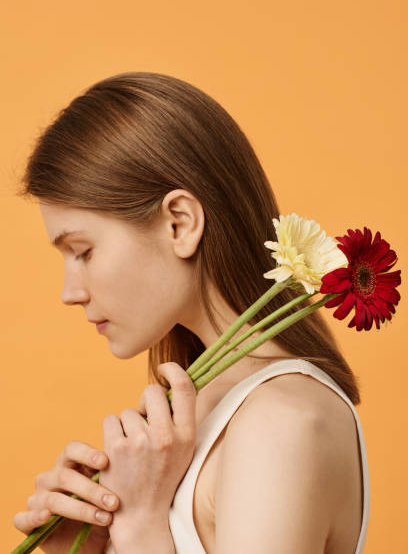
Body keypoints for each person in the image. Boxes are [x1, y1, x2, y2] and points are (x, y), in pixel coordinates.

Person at [12, 72, 369, 553]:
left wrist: (138, 524)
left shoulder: (283, 424)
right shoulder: (196, 413)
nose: (70, 292)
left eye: (84, 251)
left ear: (180, 223)